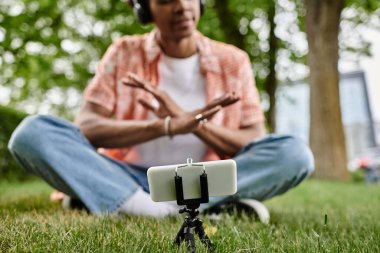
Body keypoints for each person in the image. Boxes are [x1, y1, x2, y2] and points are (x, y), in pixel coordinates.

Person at [8, 0, 314, 217]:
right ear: (144, 8)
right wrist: (163, 126)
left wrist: (195, 123)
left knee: (294, 153)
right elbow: (87, 127)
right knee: (31, 134)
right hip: (128, 176)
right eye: (166, 0)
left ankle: (126, 204)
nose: (181, 6)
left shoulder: (232, 60)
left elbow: (253, 141)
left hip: (205, 179)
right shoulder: (124, 52)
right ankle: (173, 208)